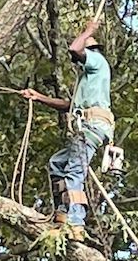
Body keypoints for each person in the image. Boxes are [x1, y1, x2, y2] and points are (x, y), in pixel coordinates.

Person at [21, 18, 114, 241]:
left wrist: (89, 30)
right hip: (89, 126)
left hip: (92, 128)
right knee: (57, 164)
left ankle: (76, 222)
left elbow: (74, 48)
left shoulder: (98, 62)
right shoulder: (87, 80)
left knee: (74, 172)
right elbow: (69, 106)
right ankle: (62, 213)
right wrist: (39, 97)